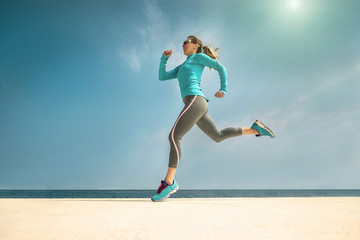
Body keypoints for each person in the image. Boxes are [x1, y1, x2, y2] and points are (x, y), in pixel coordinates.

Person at [151, 35, 274, 202]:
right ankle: (254, 129)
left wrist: (223, 88)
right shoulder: (181, 67)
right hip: (194, 104)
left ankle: (169, 182)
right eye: (183, 42)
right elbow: (162, 76)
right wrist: (164, 59)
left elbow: (221, 68)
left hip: (196, 100)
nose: (183, 45)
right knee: (218, 136)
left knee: (174, 136)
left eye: (186, 42)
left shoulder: (199, 57)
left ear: (195, 45)